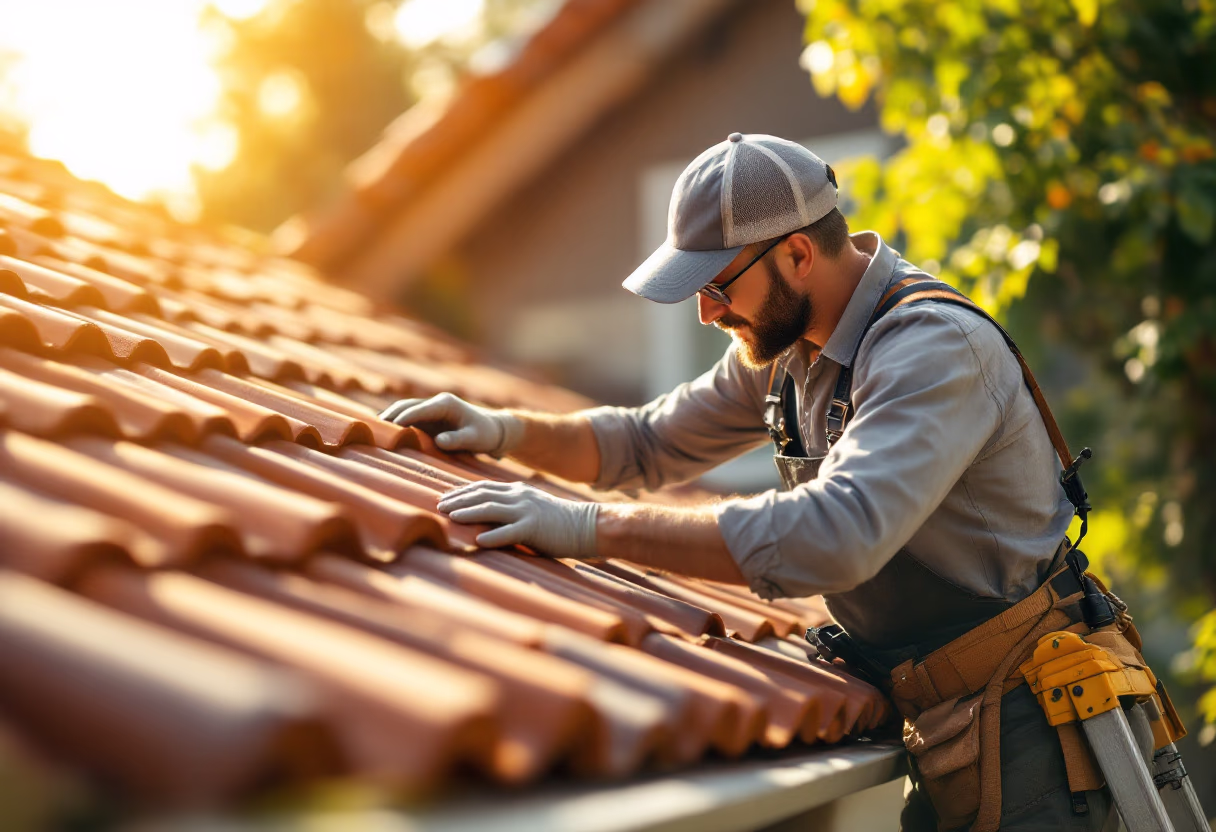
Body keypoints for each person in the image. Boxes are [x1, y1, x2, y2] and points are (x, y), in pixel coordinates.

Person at [380, 133, 1130, 830]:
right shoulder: (789, 347)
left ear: (797, 254)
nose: (707, 313)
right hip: (943, 716)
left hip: (1039, 719)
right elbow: (647, 442)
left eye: (717, 285)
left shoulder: (931, 349)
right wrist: (504, 430)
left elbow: (836, 537)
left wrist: (585, 528)